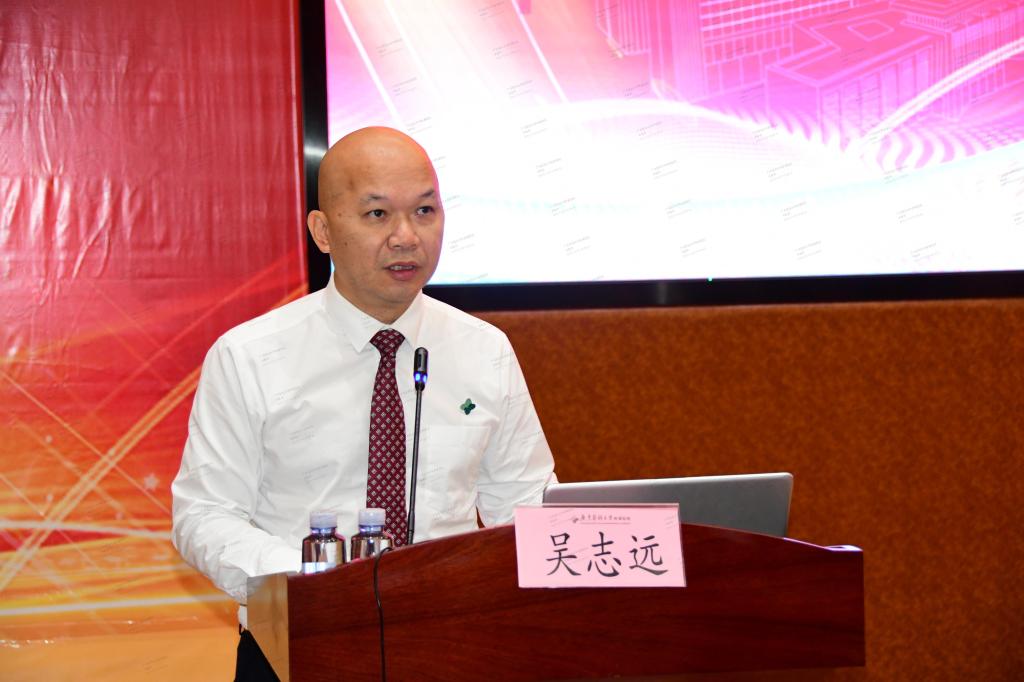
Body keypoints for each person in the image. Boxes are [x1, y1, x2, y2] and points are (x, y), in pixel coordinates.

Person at [171, 127, 557, 680]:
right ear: (323, 231)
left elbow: (523, 502)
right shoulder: (250, 355)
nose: (407, 237)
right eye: (378, 214)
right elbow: (205, 515)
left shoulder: (484, 349)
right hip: (298, 645)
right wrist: (319, 584)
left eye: (425, 211)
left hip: (452, 645)